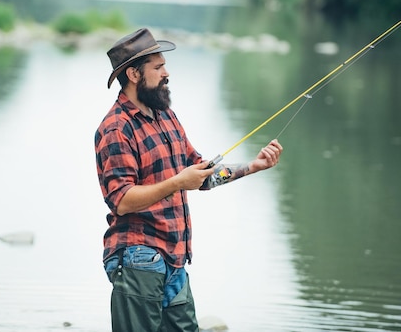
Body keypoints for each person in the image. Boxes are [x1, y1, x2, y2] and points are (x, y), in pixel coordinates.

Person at [94, 28, 283, 332]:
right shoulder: (116, 129)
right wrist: (178, 182)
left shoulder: (166, 116)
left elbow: (201, 175)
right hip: (137, 259)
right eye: (157, 67)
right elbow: (122, 201)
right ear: (133, 74)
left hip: (175, 259)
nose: (167, 73)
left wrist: (253, 166)